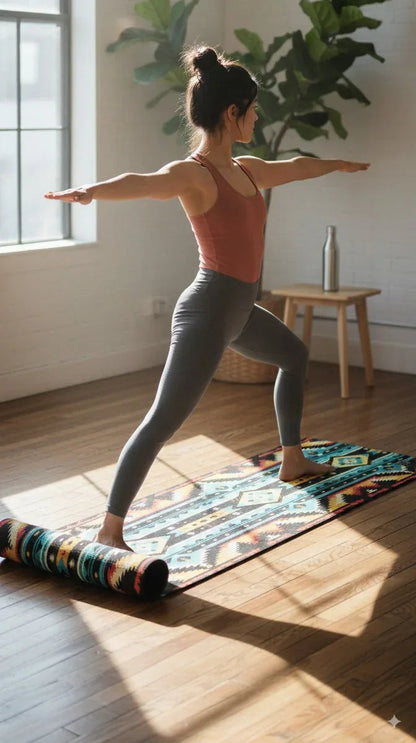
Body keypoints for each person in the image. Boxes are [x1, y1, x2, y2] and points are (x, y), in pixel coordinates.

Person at [45, 45, 370, 550]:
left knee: (294, 355)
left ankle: (291, 458)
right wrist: (91, 190)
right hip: (208, 311)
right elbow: (144, 183)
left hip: (239, 309)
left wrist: (340, 164)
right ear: (231, 112)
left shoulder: (249, 170)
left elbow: (299, 166)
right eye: (253, 109)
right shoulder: (195, 174)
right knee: (161, 423)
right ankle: (109, 530)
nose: (258, 117)